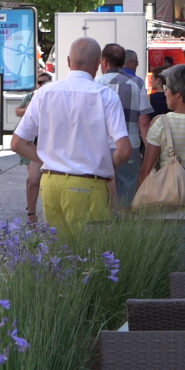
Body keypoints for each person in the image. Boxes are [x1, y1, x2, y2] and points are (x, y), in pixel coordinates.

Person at [11, 37, 131, 233]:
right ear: (98, 64)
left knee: (59, 248)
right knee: (91, 248)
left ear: (68, 61)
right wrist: (107, 168)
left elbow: (17, 143)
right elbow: (124, 150)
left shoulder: (44, 93)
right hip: (88, 183)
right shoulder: (105, 96)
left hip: (50, 183)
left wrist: (50, 159)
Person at [138, 65, 185, 219]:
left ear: (178, 93)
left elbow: (146, 170)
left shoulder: (162, 123)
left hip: (169, 206)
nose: (165, 93)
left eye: (167, 88)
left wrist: (139, 206)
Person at [96, 43, 153, 207]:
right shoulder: (137, 83)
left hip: (100, 148)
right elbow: (143, 121)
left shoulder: (95, 83)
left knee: (102, 195)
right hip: (129, 147)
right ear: (123, 62)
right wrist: (149, 149)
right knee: (128, 196)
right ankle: (125, 221)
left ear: (104, 61)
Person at [15, 71, 52, 223]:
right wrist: (28, 109)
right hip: (34, 142)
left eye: (45, 82)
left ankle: (44, 211)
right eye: (40, 82)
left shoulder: (51, 95)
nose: (42, 85)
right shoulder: (31, 96)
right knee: (32, 178)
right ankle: (31, 214)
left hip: (47, 142)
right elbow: (18, 111)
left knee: (41, 179)